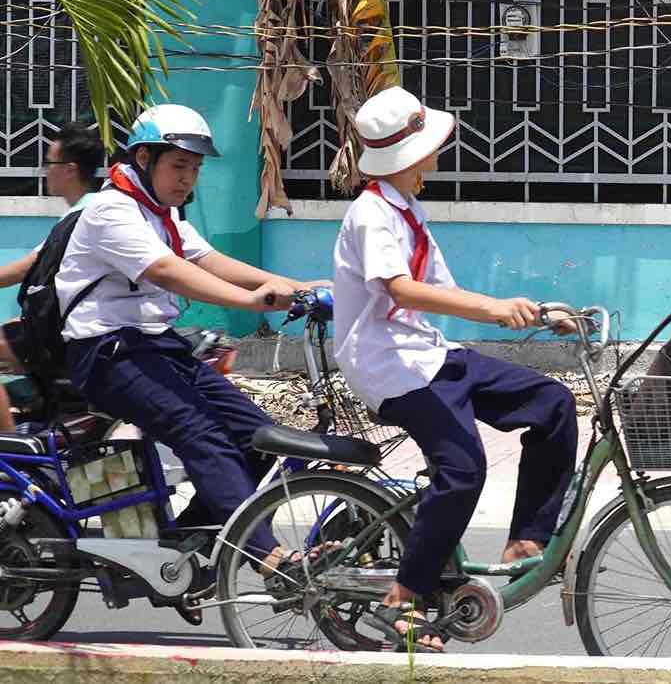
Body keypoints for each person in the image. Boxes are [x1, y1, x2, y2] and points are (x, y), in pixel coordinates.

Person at [333, 86, 577, 652]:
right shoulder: (371, 214)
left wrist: (538, 312)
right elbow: (400, 288)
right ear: (410, 156)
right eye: (431, 146)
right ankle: (405, 595)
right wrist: (492, 310)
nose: (438, 154)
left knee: (552, 404)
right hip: (389, 367)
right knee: (463, 468)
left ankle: (526, 541)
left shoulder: (408, 210)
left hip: (432, 355)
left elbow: (442, 292)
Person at [55, 103, 321, 578]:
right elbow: (167, 272)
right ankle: (266, 555)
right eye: (178, 166)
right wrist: (256, 302)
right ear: (143, 159)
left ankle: (186, 545)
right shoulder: (111, 210)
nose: (187, 179)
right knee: (201, 435)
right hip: (106, 354)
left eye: (195, 169)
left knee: (260, 437)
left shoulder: (163, 214)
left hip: (155, 347)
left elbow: (210, 261)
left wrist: (298, 287)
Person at [0, 122, 104, 432]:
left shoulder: (83, 214)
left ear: (70, 169)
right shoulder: (89, 209)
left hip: (62, 333)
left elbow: (22, 270)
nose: (44, 170)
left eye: (49, 163)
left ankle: (8, 448)